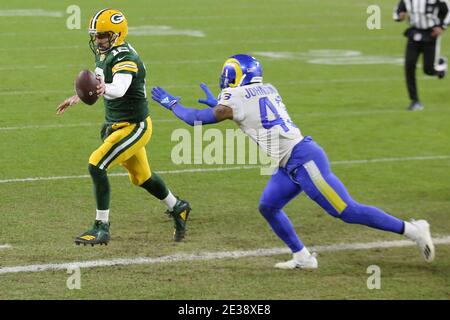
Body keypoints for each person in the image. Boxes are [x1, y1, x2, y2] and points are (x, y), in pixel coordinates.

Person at [151, 54, 435, 269]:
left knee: (346, 211)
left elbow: (195, 120)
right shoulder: (269, 88)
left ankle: (413, 230)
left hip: (302, 160)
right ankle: (302, 256)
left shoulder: (234, 97)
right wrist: (221, 106)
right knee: (269, 206)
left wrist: (172, 104)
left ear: (234, 75)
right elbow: (243, 107)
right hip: (290, 162)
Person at [56, 9, 191, 246]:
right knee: (142, 177)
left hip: (134, 127)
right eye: (96, 35)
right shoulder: (105, 53)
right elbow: (100, 80)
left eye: (102, 35)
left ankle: (101, 226)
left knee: (96, 164)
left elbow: (119, 87)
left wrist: (102, 89)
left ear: (117, 34)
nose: (97, 40)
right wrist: (79, 95)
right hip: (116, 125)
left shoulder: (124, 56)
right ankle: (178, 207)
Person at [393, 0, 449, 111]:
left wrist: (442, 27)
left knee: (428, 70)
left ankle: (440, 66)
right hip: (414, 34)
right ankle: (415, 101)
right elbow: (397, 12)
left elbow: (448, 12)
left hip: (431, 34)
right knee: (409, 66)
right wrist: (400, 16)